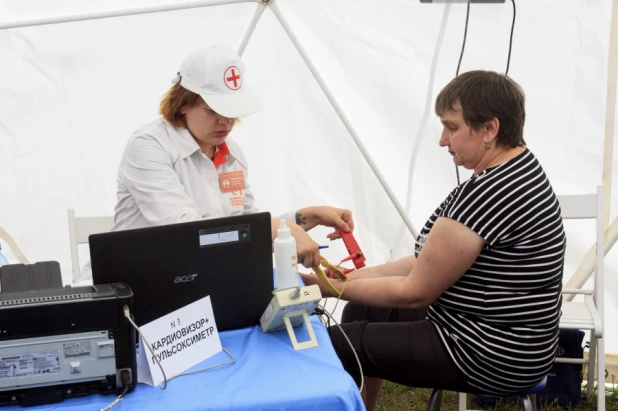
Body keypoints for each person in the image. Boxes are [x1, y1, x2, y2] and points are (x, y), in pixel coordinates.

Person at [302, 70, 565, 410]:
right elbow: (425, 261)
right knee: (362, 307)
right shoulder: (515, 168)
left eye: (452, 127)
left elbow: (415, 291)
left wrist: (323, 287)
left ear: (489, 129)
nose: (442, 139)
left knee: (337, 343)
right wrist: (342, 278)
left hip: (488, 351)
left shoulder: (490, 192)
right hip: (505, 339)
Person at [112, 45, 354, 268]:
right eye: (215, 110)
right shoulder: (149, 145)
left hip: (200, 274)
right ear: (182, 103)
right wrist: (278, 228)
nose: (226, 121)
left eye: (233, 109)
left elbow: (245, 230)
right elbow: (187, 231)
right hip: (138, 280)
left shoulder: (232, 153)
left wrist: (305, 217)